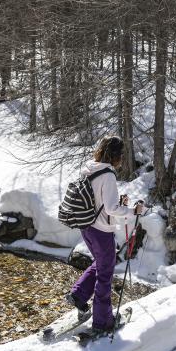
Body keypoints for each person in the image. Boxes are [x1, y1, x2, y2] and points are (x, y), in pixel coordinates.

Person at [65, 136, 143, 332]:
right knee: (105, 274)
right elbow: (109, 208)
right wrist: (132, 211)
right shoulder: (107, 174)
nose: (123, 159)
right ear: (116, 155)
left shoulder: (91, 168)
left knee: (101, 264)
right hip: (101, 231)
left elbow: (100, 201)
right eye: (122, 155)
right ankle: (102, 322)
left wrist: (119, 204)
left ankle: (79, 295)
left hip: (87, 227)